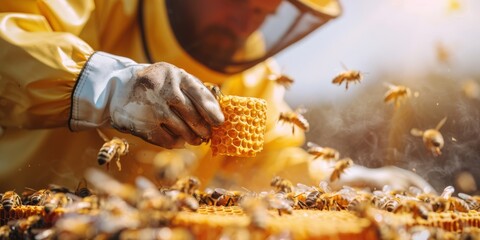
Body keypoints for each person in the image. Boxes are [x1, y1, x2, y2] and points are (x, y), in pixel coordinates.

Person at [0, 0, 434, 193]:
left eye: (264, 12)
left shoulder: (256, 78)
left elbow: (268, 163)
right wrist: (106, 83)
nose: (246, 24)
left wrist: (341, 179)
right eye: (239, 0)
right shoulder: (96, 4)